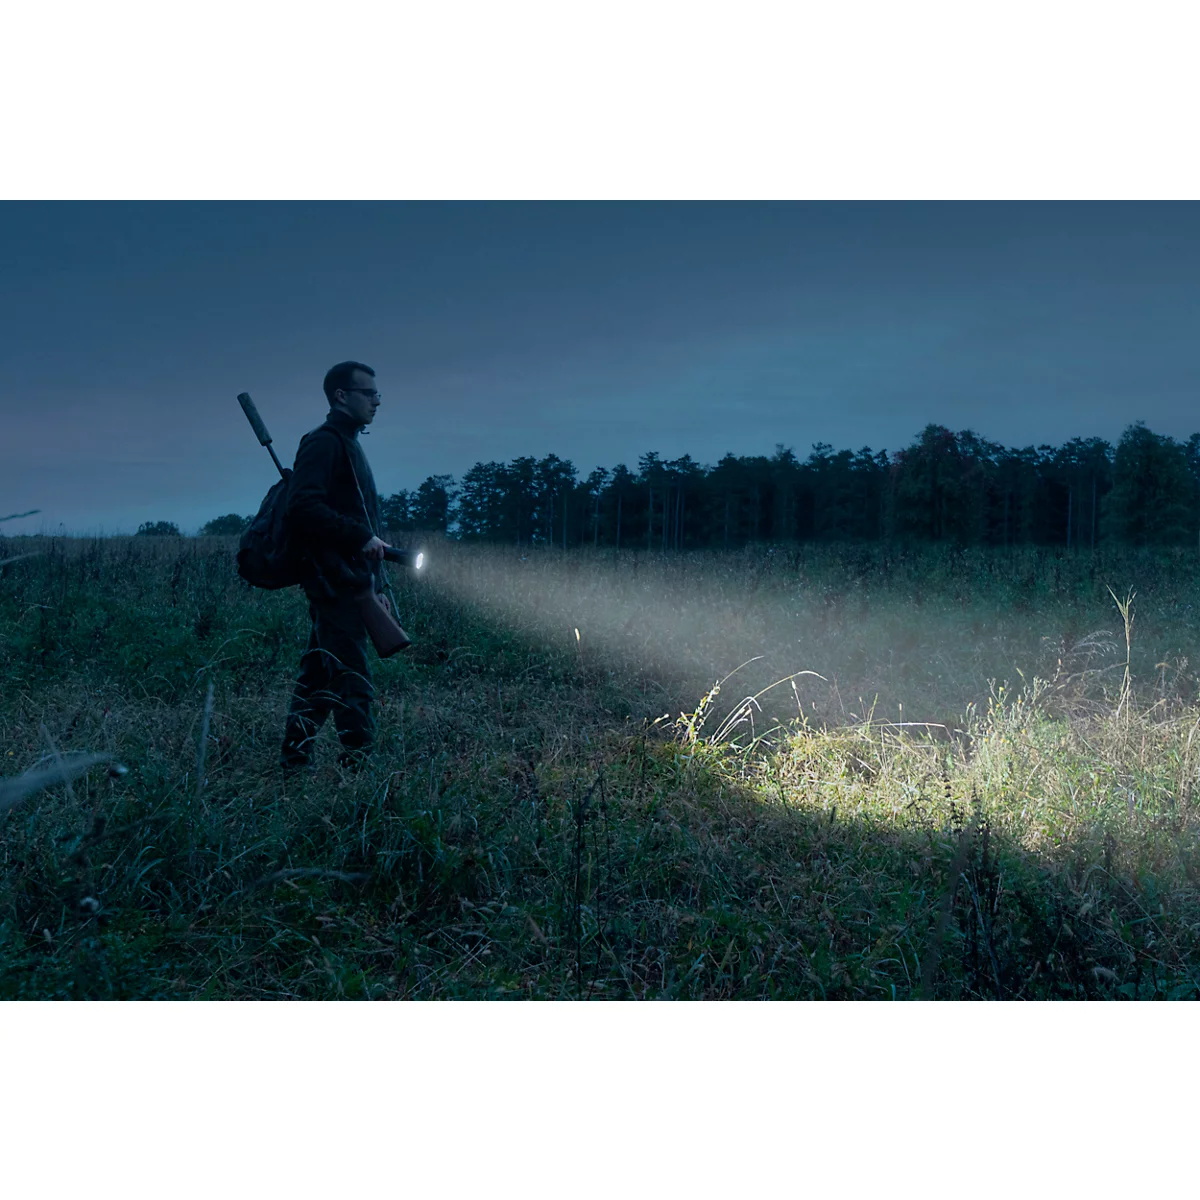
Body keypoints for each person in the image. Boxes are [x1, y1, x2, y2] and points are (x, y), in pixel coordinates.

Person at [279, 360, 393, 770]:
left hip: (354, 582)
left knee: (319, 676)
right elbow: (302, 506)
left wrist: (377, 585)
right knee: (352, 679)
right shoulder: (324, 443)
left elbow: (362, 521)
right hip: (334, 581)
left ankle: (293, 763)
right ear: (341, 396)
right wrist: (359, 537)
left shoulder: (348, 443)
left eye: (377, 393)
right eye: (368, 393)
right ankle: (359, 772)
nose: (376, 401)